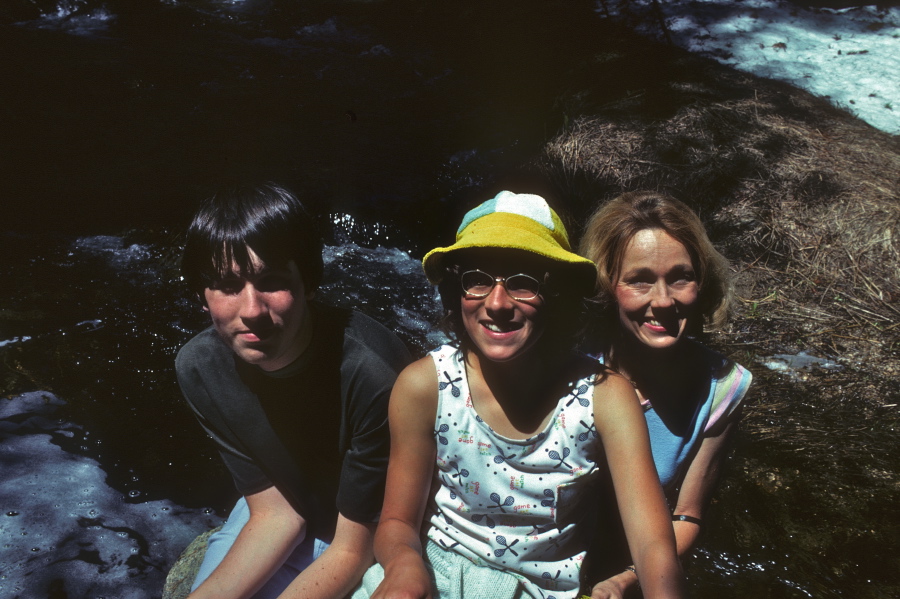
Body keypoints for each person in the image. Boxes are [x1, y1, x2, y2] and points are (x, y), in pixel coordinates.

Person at [352, 191, 686, 599]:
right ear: (456, 289)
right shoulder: (424, 386)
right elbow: (397, 523)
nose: (496, 304)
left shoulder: (605, 397)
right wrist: (405, 568)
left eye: (524, 283)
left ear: (558, 295)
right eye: (476, 280)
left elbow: (652, 546)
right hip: (432, 574)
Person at [175, 182, 411, 599]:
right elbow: (275, 512)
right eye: (228, 287)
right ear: (201, 295)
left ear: (309, 281)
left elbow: (352, 547)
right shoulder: (199, 368)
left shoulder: (373, 374)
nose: (252, 311)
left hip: (359, 531)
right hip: (283, 505)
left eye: (272, 281)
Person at [578, 191, 753, 598]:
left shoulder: (725, 388)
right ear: (607, 284)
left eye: (680, 277)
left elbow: (687, 516)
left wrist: (624, 580)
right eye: (639, 280)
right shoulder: (570, 364)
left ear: (701, 282)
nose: (664, 301)